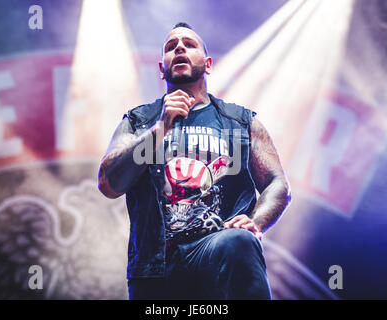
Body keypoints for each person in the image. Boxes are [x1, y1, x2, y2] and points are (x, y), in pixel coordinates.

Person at [98, 22, 291, 300]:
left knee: (240, 241)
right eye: (170, 46)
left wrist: (255, 222)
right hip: (155, 266)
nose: (179, 47)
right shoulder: (138, 121)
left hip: (218, 249)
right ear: (161, 68)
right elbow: (109, 183)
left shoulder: (239, 122)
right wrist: (159, 129)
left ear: (208, 63)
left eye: (189, 44)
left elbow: (277, 182)